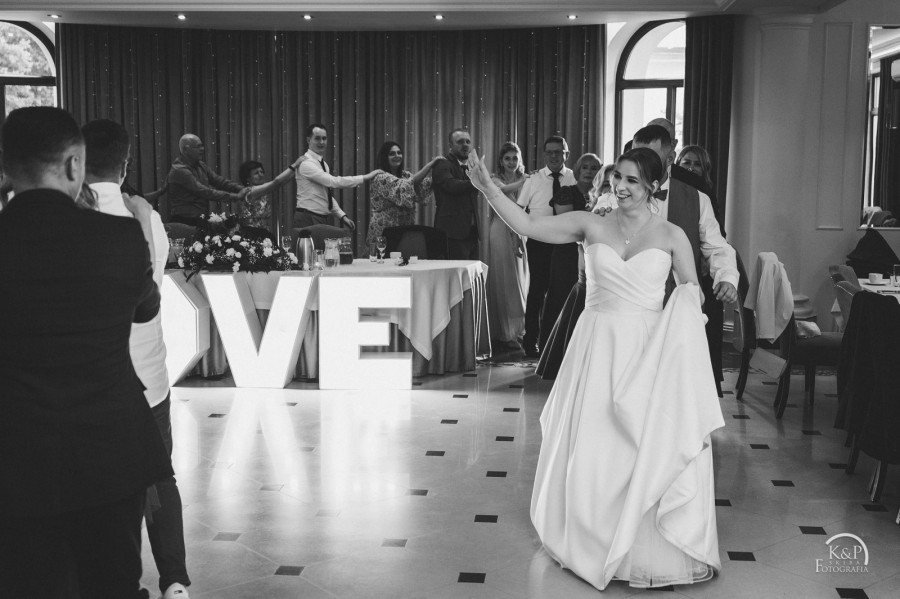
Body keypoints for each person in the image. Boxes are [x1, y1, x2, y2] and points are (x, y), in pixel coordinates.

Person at [467, 146, 724, 591]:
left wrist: (684, 310)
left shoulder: (672, 236)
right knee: (595, 446)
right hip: (596, 349)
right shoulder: (591, 225)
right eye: (617, 177)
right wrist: (488, 187)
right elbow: (528, 225)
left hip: (646, 353)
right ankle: (591, 541)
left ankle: (640, 546)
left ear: (654, 187)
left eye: (632, 181)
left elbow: (691, 292)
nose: (620, 187)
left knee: (640, 447)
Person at [0, 106, 172, 598]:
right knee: (113, 582)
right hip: (109, 449)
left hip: (15, 454)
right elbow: (146, 309)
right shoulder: (119, 237)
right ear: (75, 164)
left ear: (7, 167)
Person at [83, 118, 192, 599]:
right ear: (125, 166)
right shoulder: (147, 218)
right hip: (148, 374)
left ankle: (116, 581)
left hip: (91, 379)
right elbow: (150, 292)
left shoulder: (67, 221)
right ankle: (175, 581)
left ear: (76, 162)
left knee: (98, 486)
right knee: (158, 475)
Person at [632, 126, 737, 397]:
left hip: (677, 300)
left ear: (670, 157)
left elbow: (717, 246)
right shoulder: (618, 195)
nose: (641, 165)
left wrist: (726, 276)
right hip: (632, 303)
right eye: (636, 156)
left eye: (650, 157)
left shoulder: (696, 199)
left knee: (675, 383)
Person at [536, 153, 601, 378]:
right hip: (566, 253)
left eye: (594, 167)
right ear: (578, 169)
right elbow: (568, 226)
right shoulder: (566, 192)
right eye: (585, 167)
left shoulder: (604, 195)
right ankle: (552, 353)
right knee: (561, 297)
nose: (589, 171)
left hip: (591, 254)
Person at [515, 135, 576, 357]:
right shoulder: (533, 179)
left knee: (562, 292)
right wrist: (518, 239)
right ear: (543, 155)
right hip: (539, 242)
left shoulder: (574, 177)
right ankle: (531, 342)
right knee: (537, 291)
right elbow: (518, 211)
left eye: (558, 152)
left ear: (566, 154)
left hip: (566, 243)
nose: (553, 156)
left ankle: (557, 342)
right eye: (549, 152)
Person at [294, 123, 381, 231]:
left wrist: (342, 216)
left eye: (324, 138)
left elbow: (326, 194)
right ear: (308, 140)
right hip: (307, 218)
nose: (321, 142)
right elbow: (334, 182)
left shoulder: (323, 164)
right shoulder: (306, 163)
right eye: (317, 138)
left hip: (319, 218)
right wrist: (366, 177)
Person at [486, 141, 529, 348]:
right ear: (501, 161)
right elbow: (503, 191)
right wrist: (524, 181)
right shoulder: (494, 179)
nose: (512, 162)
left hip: (521, 229)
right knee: (505, 279)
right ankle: (504, 332)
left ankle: (520, 329)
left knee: (521, 278)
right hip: (501, 230)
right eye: (507, 158)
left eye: (515, 158)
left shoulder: (525, 179)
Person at [365, 141, 442, 247]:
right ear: (384, 157)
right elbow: (408, 185)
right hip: (384, 229)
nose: (397, 156)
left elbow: (421, 186)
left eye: (399, 153)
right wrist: (430, 165)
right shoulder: (380, 177)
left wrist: (441, 173)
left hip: (404, 228)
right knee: (383, 256)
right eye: (392, 154)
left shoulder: (405, 175)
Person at [167, 133, 249, 226]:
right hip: (184, 222)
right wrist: (236, 196)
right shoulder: (179, 170)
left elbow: (219, 181)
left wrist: (242, 189)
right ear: (186, 149)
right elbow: (204, 192)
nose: (202, 149)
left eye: (202, 146)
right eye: (198, 147)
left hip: (198, 219)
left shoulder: (200, 165)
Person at [432, 128, 480, 259]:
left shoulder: (472, 167)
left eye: (468, 141)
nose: (465, 145)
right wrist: (477, 182)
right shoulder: (442, 164)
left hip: (472, 233)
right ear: (450, 145)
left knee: (473, 272)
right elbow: (451, 185)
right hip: (452, 234)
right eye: (460, 142)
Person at [238, 155, 306, 234]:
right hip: (251, 233)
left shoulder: (261, 190)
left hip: (264, 232)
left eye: (262, 172)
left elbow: (280, 183)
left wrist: (297, 169)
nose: (261, 175)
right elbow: (276, 182)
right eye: (256, 173)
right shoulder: (250, 192)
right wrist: (295, 165)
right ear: (247, 178)